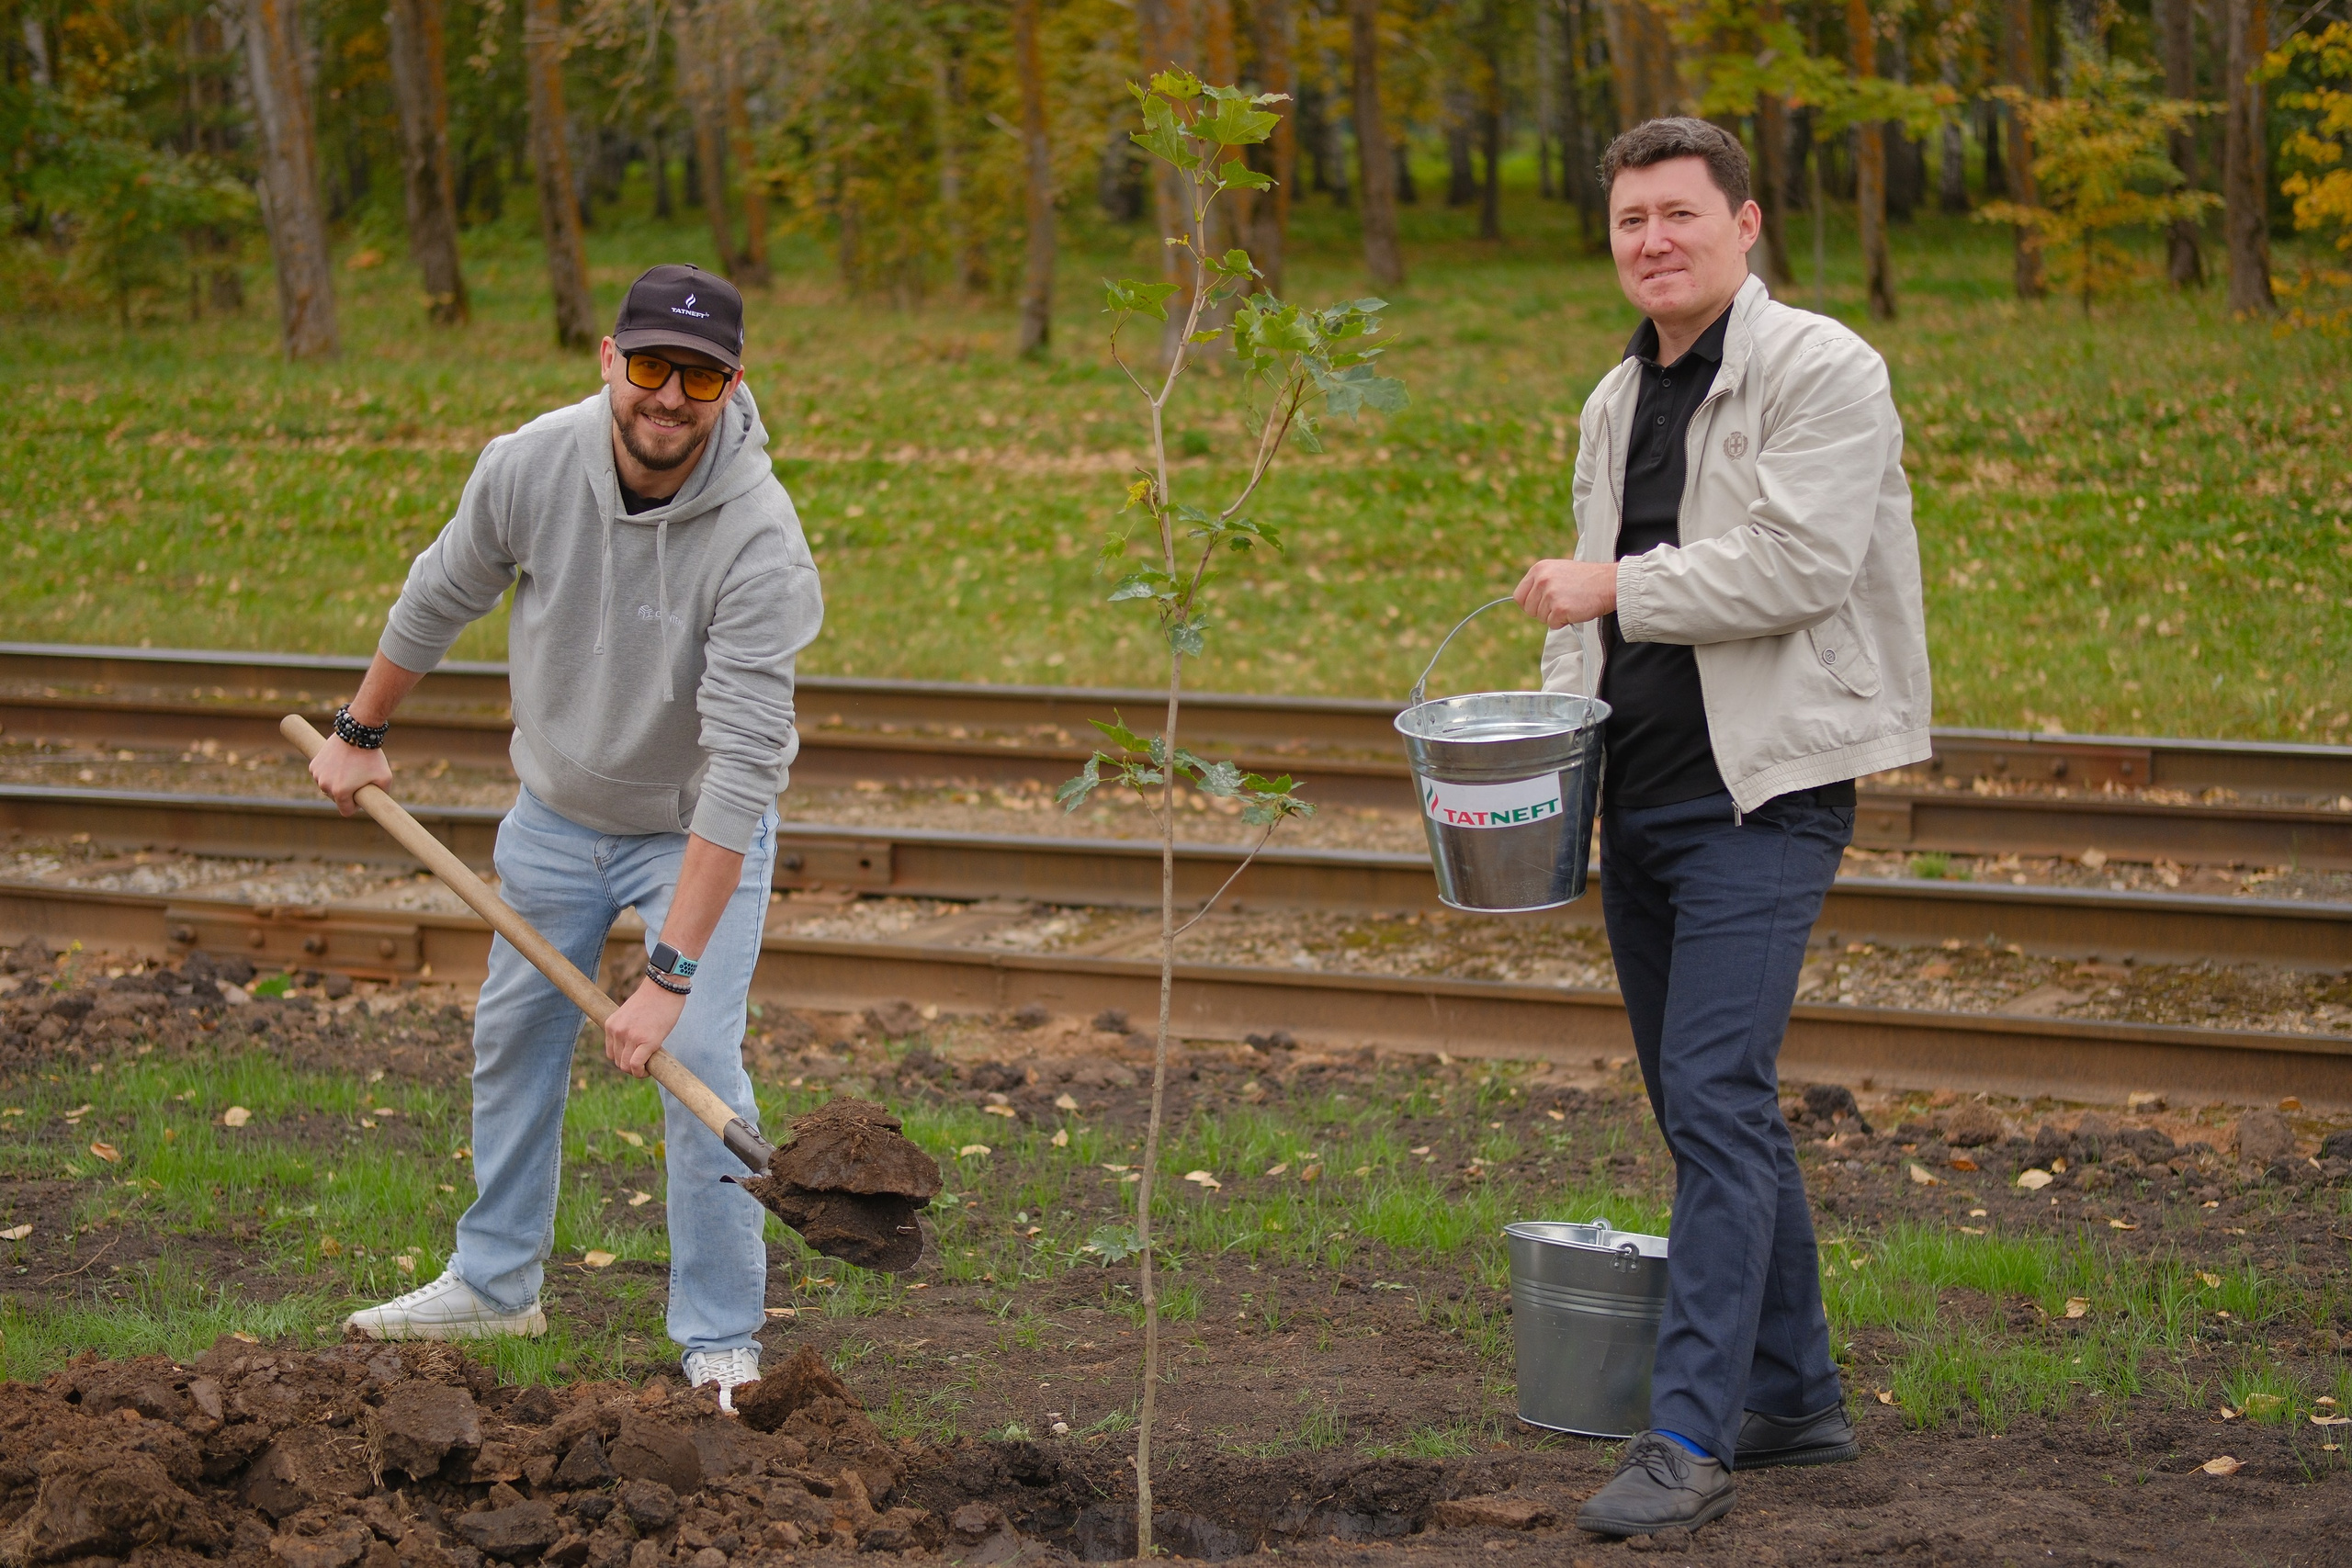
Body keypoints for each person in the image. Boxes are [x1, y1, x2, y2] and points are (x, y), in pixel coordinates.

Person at [1513, 118, 1931, 1535]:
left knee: (1713, 1099)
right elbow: (1590, 625)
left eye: (1679, 215)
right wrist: (1561, 784)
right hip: (1645, 798)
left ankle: (1687, 1432)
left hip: (1770, 792)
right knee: (1712, 1110)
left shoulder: (1822, 366)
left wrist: (1612, 584)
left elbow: (1802, 565)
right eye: (1630, 220)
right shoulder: (1610, 398)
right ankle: (1796, 1394)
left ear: (1745, 225)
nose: (1652, 242)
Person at [308, 264, 822, 1412]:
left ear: (734, 386)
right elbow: (441, 590)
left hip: (691, 832)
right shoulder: (530, 464)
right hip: (553, 814)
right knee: (514, 1041)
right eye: (650, 367)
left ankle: (720, 1335)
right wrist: (359, 728)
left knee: (700, 1067)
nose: (669, 397)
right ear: (608, 361)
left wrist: (668, 977)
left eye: (699, 376)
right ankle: (496, 1285)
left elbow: (743, 773)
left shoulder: (761, 543)